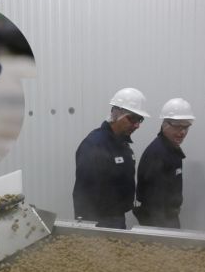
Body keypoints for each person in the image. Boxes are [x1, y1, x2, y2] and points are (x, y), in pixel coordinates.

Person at [72, 88, 150, 229]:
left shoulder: (122, 143)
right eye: (132, 118)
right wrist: (85, 228)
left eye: (140, 119)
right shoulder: (94, 145)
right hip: (99, 221)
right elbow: (83, 192)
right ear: (116, 113)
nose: (137, 125)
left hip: (117, 217)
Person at [134, 97, 195, 229]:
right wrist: (162, 231)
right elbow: (153, 199)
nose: (182, 132)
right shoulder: (158, 153)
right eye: (177, 126)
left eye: (186, 127)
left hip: (168, 218)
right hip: (158, 221)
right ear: (165, 125)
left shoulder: (172, 149)